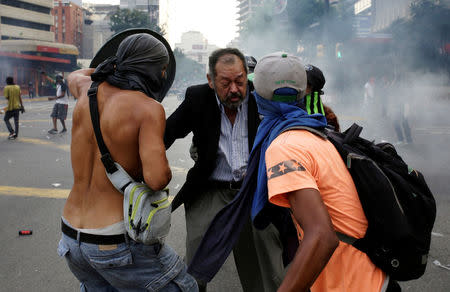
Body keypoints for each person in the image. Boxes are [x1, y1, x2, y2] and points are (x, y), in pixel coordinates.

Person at [59, 33, 198, 291]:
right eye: (163, 69)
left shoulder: (84, 89)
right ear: (157, 71)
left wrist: (114, 64)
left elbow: (75, 74)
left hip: (71, 238)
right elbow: (157, 178)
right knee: (184, 287)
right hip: (114, 240)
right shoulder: (147, 109)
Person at [251, 52, 395, 292]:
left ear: (259, 97)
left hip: (354, 284)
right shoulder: (315, 131)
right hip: (372, 277)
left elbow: (321, 236)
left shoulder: (285, 147)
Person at [164, 48, 286, 292]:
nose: (234, 89)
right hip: (210, 191)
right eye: (225, 82)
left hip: (254, 192)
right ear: (211, 81)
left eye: (240, 81)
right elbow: (163, 135)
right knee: (196, 267)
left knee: (266, 270)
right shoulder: (197, 98)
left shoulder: (261, 98)